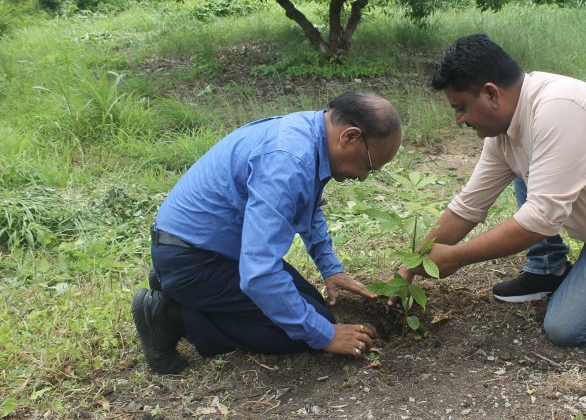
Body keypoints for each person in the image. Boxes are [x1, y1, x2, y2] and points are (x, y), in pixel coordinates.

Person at [399, 34, 586, 347]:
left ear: (491, 93)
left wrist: (457, 257)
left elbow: (541, 219)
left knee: (565, 328)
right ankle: (548, 270)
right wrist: (410, 264)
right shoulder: (504, 131)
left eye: (461, 107)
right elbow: (468, 207)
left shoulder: (559, 108)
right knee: (527, 164)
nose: (458, 120)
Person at [132, 92, 402, 374]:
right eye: (369, 165)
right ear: (350, 137)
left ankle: (181, 287)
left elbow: (307, 207)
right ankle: (171, 314)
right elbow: (259, 274)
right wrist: (327, 336)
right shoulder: (287, 161)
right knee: (303, 330)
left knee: (313, 309)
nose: (363, 177)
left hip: (207, 249)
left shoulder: (309, 132)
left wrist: (330, 268)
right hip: (194, 258)